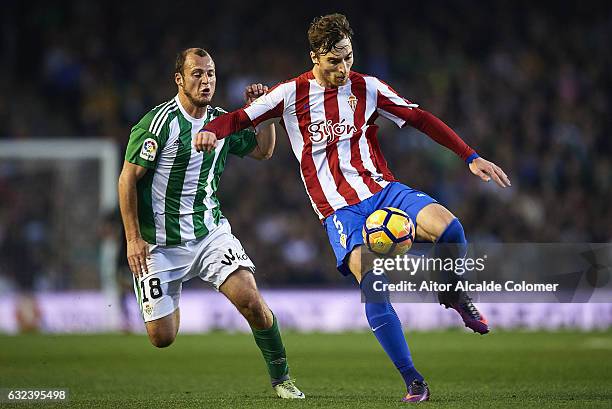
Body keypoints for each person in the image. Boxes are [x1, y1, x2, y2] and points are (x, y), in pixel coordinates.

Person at [196, 14, 511, 403]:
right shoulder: (290, 94)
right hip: (339, 210)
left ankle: (452, 294)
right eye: (334, 61)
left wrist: (470, 156)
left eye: (348, 58)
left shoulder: (368, 88)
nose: (343, 69)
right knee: (375, 285)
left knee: (451, 230)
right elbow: (240, 118)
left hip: (383, 191)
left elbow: (420, 118)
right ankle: (413, 380)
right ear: (315, 57)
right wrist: (212, 130)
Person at [117, 47, 304, 399]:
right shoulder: (158, 125)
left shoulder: (223, 120)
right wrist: (132, 239)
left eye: (211, 74)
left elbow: (263, 152)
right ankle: (168, 290)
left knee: (251, 300)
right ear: (180, 79)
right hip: (158, 243)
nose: (206, 81)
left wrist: (264, 116)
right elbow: (127, 179)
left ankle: (283, 379)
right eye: (198, 74)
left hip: (209, 234)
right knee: (162, 337)